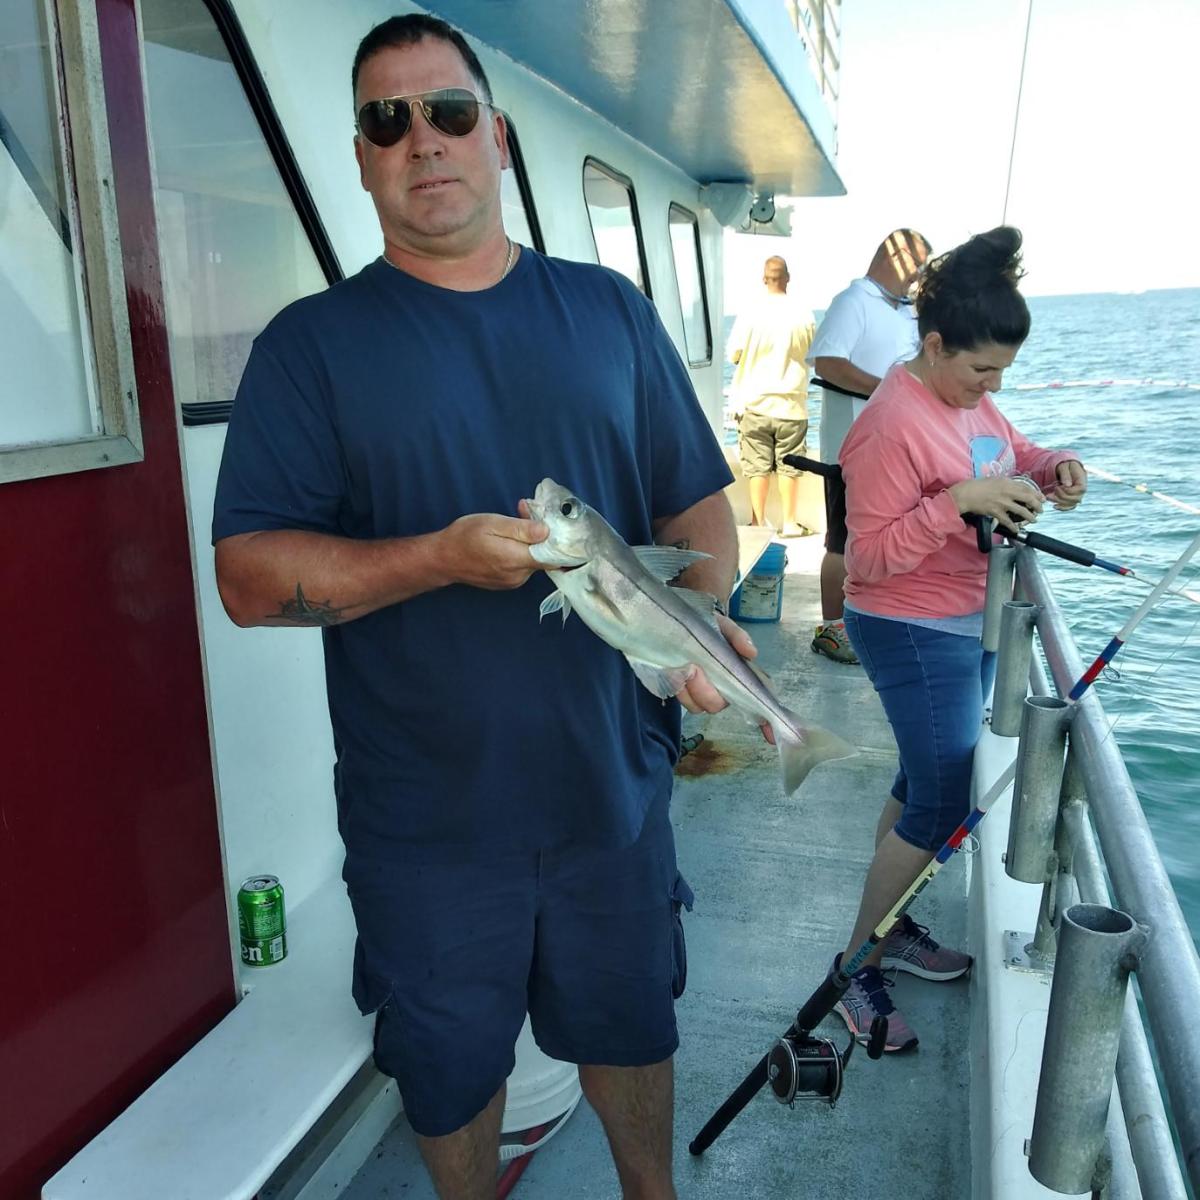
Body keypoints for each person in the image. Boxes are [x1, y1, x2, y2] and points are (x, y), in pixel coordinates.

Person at [210, 15, 754, 1200]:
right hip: (426, 822)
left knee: (629, 1027)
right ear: (360, 156)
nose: (424, 141)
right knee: (448, 1068)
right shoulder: (310, 349)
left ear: (497, 138)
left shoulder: (609, 311)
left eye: (449, 112)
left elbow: (700, 514)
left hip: (613, 787)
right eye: (386, 121)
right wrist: (435, 559)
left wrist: (699, 628)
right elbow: (248, 580)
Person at [828, 226, 1087, 1051]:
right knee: (943, 802)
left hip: (963, 625)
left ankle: (892, 929)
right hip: (907, 628)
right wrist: (959, 503)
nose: (992, 384)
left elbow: (1006, 449)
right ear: (933, 345)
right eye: (982, 368)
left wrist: (1051, 467)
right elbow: (865, 559)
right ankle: (854, 970)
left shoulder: (967, 396)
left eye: (1003, 372)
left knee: (921, 779)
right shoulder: (886, 424)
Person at [806, 228, 932, 663]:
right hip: (851, 449)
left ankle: (869, 623)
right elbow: (827, 362)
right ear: (896, 259)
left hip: (896, 450)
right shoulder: (853, 301)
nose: (919, 278)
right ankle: (832, 629)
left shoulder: (907, 311)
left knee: (881, 540)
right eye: (917, 267)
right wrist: (889, 391)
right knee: (842, 542)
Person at [727, 255, 817, 536]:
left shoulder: (750, 313)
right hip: (792, 402)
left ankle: (757, 522)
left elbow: (734, 354)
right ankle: (790, 522)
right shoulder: (804, 314)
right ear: (788, 278)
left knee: (757, 467)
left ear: (764, 279)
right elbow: (813, 356)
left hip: (755, 401)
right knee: (790, 466)